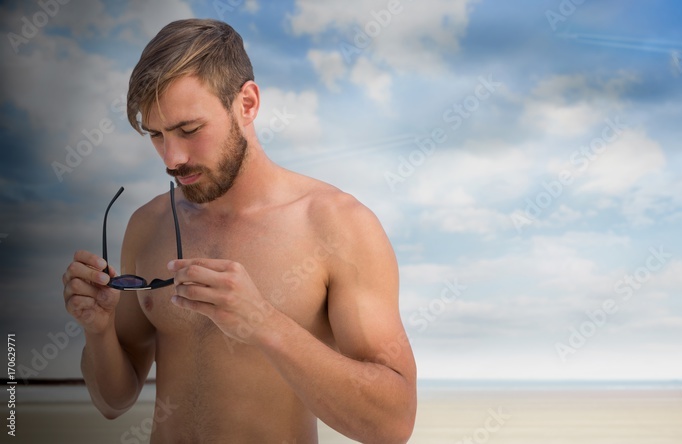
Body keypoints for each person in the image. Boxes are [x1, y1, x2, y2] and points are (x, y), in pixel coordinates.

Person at [60, 18, 416, 443]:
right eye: (156, 135)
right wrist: (97, 330)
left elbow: (392, 425)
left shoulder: (337, 225)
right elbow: (113, 402)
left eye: (189, 130)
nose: (171, 159)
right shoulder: (147, 224)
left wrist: (265, 323)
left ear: (246, 104)